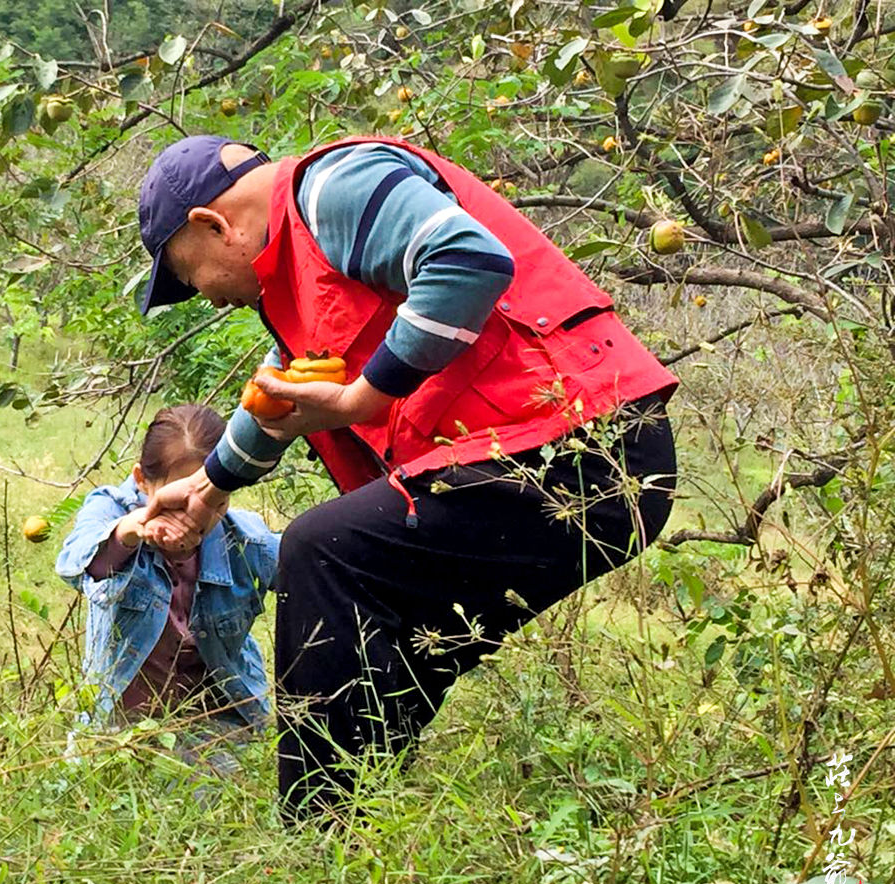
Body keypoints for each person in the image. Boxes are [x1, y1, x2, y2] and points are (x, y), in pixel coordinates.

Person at [133, 134, 679, 821]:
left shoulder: (335, 189)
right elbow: (281, 398)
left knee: (322, 551)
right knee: (388, 643)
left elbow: (467, 258)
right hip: (530, 460)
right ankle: (365, 847)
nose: (207, 298)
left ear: (215, 225)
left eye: (191, 278)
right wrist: (210, 487)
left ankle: (315, 839)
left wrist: (366, 397)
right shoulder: (305, 276)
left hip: (586, 448)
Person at [55, 404, 278, 753]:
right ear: (142, 480)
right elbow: (79, 561)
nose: (197, 516)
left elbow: (313, 567)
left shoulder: (247, 540)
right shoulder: (111, 509)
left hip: (214, 725)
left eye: (216, 502)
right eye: (179, 502)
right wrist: (134, 528)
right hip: (118, 726)